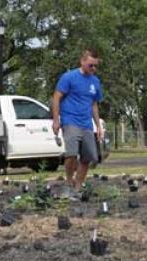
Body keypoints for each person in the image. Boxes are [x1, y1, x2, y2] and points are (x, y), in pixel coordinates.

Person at [52, 48, 104, 190]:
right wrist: (56, 120)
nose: (93, 68)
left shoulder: (95, 81)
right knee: (72, 154)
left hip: (86, 124)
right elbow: (56, 97)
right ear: (82, 62)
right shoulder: (69, 77)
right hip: (70, 121)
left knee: (87, 157)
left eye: (95, 66)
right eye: (90, 65)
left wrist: (98, 126)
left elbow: (94, 104)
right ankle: (69, 181)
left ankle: (78, 187)